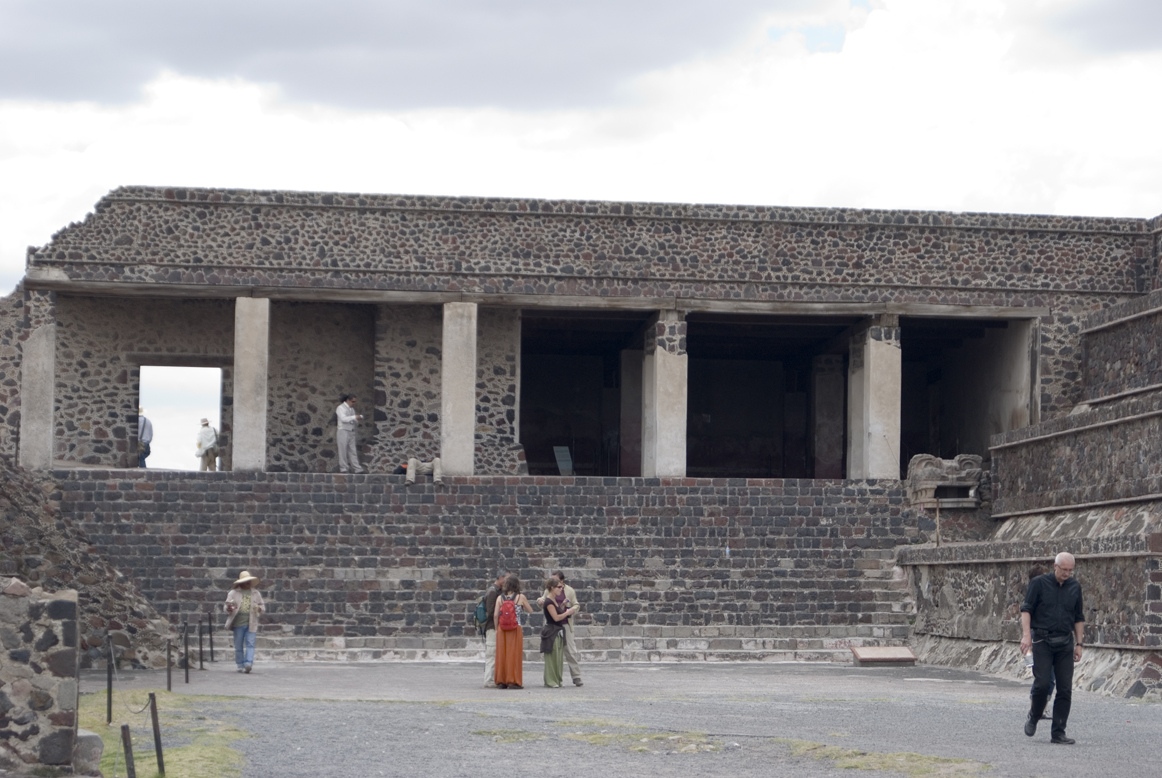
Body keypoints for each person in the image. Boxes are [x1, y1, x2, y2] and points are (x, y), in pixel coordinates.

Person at [1020, 551, 1084, 744]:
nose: (1066, 573)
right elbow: (1026, 609)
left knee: (1065, 689)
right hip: (1042, 640)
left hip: (1065, 642)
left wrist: (1079, 644)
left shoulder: (1075, 587)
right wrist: (1026, 636)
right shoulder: (1038, 583)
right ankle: (1034, 714)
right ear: (1055, 566)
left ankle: (1058, 732)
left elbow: (1079, 617)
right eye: (1064, 569)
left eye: (1070, 570)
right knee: (1043, 684)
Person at [536, 570, 583, 686]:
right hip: (554, 624)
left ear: (561, 581)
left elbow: (576, 604)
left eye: (556, 579)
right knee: (554, 652)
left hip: (566, 624)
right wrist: (539, 601)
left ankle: (576, 676)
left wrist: (571, 609)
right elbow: (542, 602)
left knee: (570, 651)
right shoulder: (549, 590)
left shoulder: (569, 590)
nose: (554, 582)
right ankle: (554, 678)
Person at [493, 574, 533, 689]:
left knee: (502, 654)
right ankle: (513, 680)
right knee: (514, 654)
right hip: (515, 628)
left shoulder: (500, 598)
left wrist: (496, 629)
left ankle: (501, 680)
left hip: (502, 629)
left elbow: (496, 615)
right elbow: (531, 610)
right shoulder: (521, 597)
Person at [1026, 563, 1054, 718]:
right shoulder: (1036, 594)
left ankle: (1041, 708)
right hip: (1038, 637)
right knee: (1044, 676)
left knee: (1051, 677)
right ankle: (1036, 708)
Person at [224, 570, 265, 674]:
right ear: (241, 583)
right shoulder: (233, 593)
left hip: (251, 622)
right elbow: (226, 606)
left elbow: (262, 606)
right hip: (238, 623)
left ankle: (248, 663)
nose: (248, 583)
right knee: (238, 645)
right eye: (245, 581)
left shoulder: (255, 593)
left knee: (250, 644)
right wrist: (229, 608)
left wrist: (259, 609)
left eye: (249, 581)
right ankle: (240, 664)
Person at [482, 571, 508, 688]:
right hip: (492, 627)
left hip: (496, 627)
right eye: (506, 578)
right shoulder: (492, 592)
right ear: (501, 577)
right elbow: (491, 612)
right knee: (491, 653)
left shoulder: (498, 592)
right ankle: (489, 679)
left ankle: (494, 678)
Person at [334, 394, 365, 474]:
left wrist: (357, 419)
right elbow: (343, 419)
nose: (354, 403)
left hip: (351, 431)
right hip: (343, 430)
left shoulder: (351, 409)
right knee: (343, 450)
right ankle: (343, 468)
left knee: (352, 450)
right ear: (348, 400)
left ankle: (357, 468)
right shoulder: (340, 408)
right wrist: (354, 417)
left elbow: (352, 420)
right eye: (352, 401)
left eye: (355, 402)